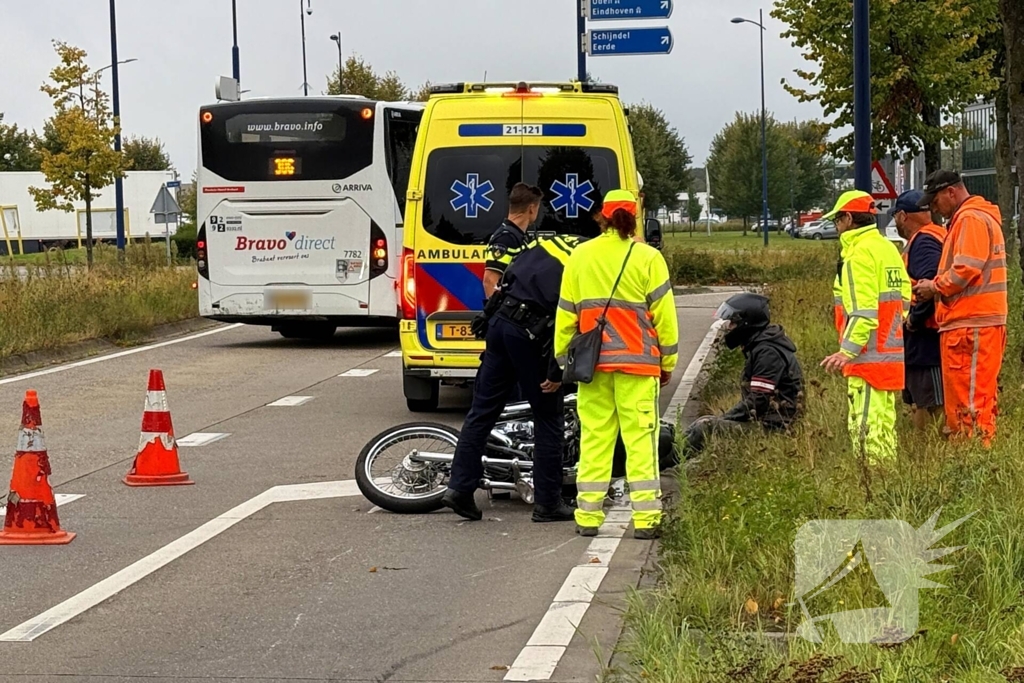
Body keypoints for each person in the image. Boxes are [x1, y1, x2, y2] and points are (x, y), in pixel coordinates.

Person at [555, 190, 679, 540]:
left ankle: (588, 516)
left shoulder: (580, 256)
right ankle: (646, 520)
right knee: (641, 441)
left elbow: (566, 313)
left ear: (602, 217)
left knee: (594, 438)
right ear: (635, 218)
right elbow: (664, 318)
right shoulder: (648, 258)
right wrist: (666, 361)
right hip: (638, 366)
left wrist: (566, 359)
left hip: (593, 367)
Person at [441, 231, 584, 523]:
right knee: (549, 416)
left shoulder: (547, 242)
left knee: (481, 412)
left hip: (500, 324)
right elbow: (568, 318)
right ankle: (547, 503)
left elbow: (504, 282)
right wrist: (556, 371)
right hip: (530, 334)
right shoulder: (589, 258)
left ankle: (459, 488)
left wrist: (488, 316)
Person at [912, 170, 1008, 446]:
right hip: (976, 323)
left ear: (951, 192)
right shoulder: (976, 217)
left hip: (971, 324)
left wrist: (934, 286)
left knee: (969, 402)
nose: (933, 208)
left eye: (935, 200)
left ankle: (971, 456)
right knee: (976, 398)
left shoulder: (969, 219)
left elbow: (966, 269)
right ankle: (974, 454)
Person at [821, 191, 910, 464]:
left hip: (867, 358)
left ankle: (870, 485)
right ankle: (887, 482)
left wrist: (847, 351)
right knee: (884, 426)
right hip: (891, 355)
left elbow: (863, 313)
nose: (836, 226)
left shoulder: (858, 255)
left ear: (848, 218)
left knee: (865, 427)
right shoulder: (887, 249)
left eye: (837, 219)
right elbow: (904, 299)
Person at [684, 293, 803, 453]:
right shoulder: (762, 346)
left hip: (775, 429)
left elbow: (758, 401)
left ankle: (664, 464)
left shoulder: (767, 353)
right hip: (768, 423)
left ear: (747, 323)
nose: (729, 327)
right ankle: (668, 449)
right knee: (703, 422)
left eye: (733, 323)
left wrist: (724, 418)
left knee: (706, 427)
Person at [890, 190, 947, 430]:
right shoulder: (937, 235)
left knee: (929, 401)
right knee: (921, 399)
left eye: (895, 218)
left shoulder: (923, 242)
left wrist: (914, 319)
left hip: (926, 338)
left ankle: (929, 453)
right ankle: (924, 451)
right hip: (929, 334)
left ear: (902, 216)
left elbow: (930, 285)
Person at [482, 183, 541, 299]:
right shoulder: (506, 238)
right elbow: (490, 280)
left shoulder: (517, 236)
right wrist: (499, 313)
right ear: (532, 209)